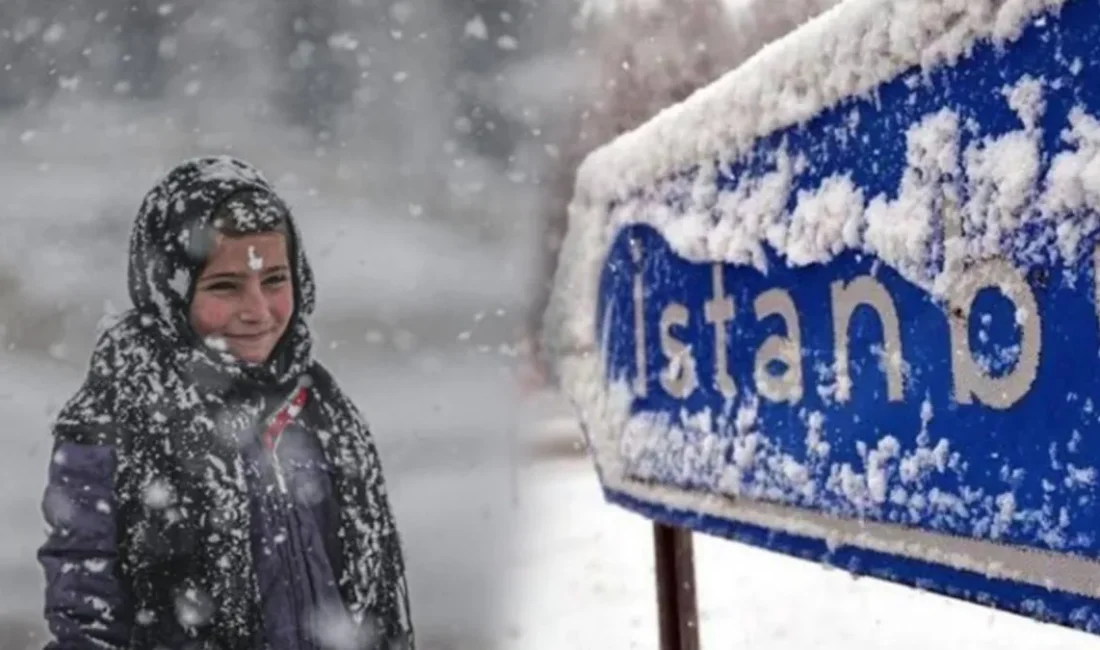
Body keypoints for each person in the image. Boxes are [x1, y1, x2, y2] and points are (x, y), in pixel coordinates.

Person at [36, 155, 414, 650]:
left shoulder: (317, 408)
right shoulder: (114, 422)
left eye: (275, 280)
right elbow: (86, 615)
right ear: (169, 290)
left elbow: (363, 599)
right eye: (224, 286)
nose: (257, 311)